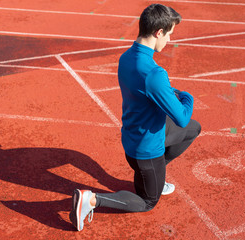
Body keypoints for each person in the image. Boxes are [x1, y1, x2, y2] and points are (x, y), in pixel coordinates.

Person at [69, 3, 201, 231]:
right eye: (169, 34)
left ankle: (156, 174)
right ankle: (91, 200)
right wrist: (187, 96)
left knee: (193, 128)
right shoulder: (154, 73)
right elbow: (181, 117)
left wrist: (168, 92)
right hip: (145, 151)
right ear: (158, 32)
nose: (169, 40)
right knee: (148, 201)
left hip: (133, 136)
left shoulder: (126, 58)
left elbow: (156, 97)